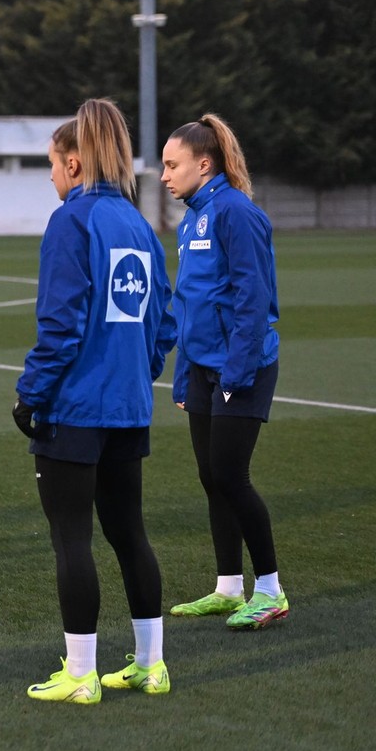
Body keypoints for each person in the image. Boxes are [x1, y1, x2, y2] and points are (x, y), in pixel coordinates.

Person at [13, 99, 177, 704]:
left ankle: (81, 673)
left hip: (76, 409)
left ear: (75, 163)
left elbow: (60, 325)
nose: (52, 177)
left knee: (72, 539)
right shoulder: (138, 223)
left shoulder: (71, 221)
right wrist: (139, 373)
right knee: (130, 533)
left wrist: (30, 395)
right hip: (128, 407)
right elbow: (163, 320)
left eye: (53, 165)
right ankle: (150, 666)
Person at [161, 114, 288, 629]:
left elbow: (253, 301)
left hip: (243, 368)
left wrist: (236, 374)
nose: (165, 175)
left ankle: (271, 590)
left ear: (204, 163)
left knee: (233, 477)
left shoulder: (236, 213)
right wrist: (185, 372)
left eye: (173, 165)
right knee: (212, 477)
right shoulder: (193, 216)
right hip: (204, 370)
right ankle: (228, 588)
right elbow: (191, 302)